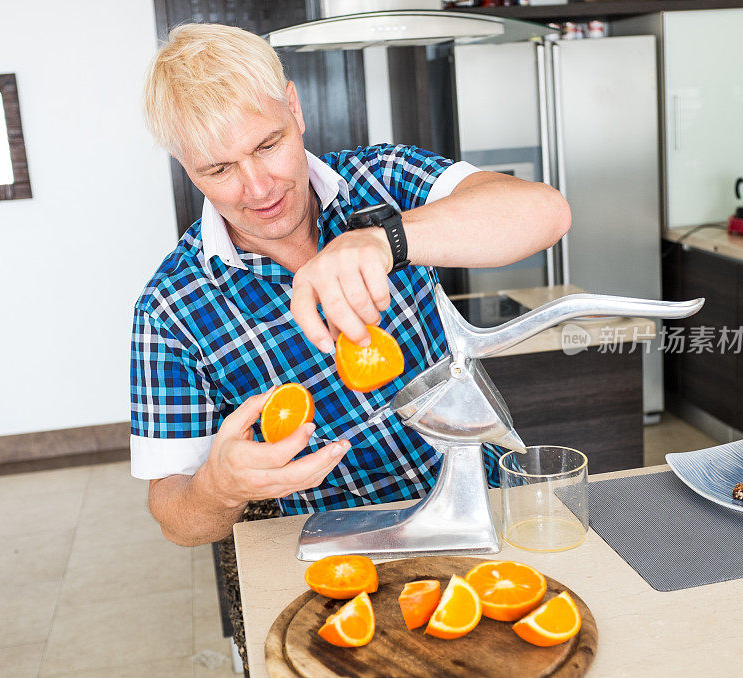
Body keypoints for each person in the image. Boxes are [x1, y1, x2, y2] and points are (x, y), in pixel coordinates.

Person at [132, 23, 570, 547]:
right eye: (219, 169)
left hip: (487, 505)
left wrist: (388, 240)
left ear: (294, 109)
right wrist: (219, 487)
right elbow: (176, 518)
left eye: (268, 145)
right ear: (185, 165)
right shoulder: (170, 308)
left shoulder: (382, 178)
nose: (258, 187)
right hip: (338, 551)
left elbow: (546, 212)